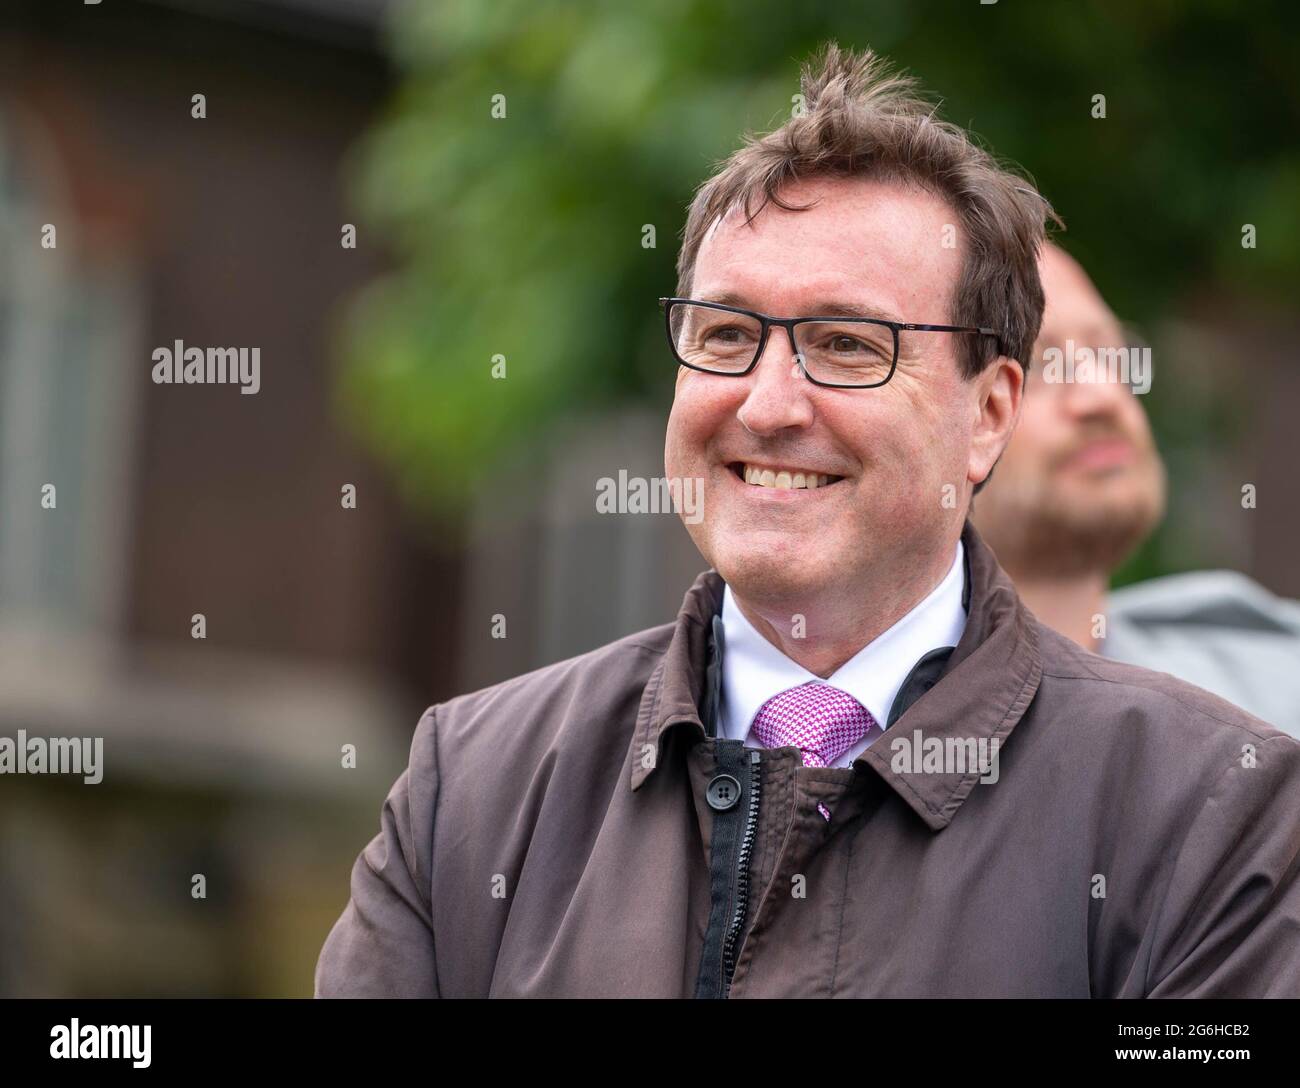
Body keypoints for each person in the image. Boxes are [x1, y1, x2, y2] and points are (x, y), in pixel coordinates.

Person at [315, 43, 1300, 998]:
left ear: (987, 413)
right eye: (727, 335)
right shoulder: (475, 788)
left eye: (844, 343)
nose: (767, 403)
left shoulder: (1201, 807)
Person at [972, 243, 1300, 738]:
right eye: (1039, 364)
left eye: (1109, 355)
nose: (1101, 396)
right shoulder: (859, 733)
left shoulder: (1273, 690)